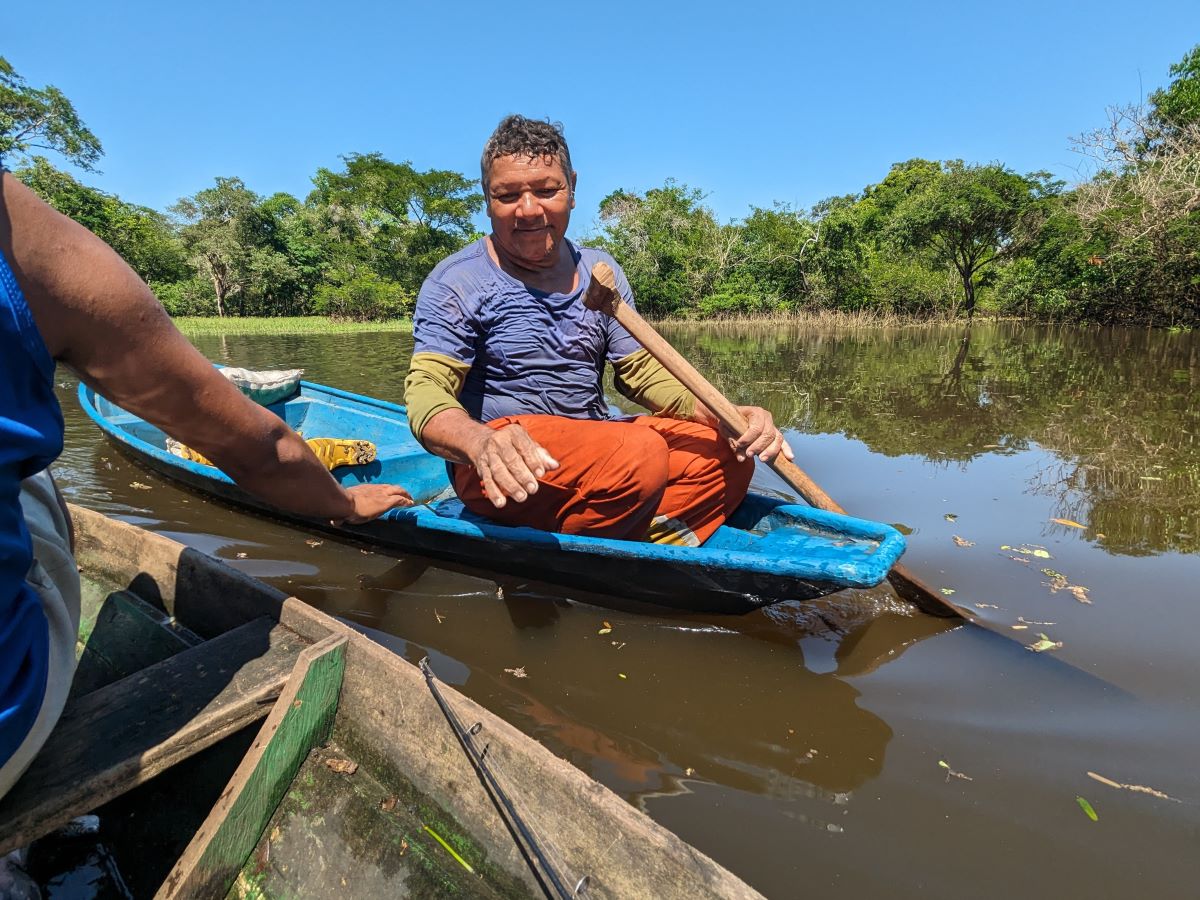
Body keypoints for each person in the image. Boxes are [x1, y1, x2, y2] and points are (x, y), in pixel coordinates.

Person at [0, 171, 414, 815]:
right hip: (8, 720)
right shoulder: (28, 238)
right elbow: (261, 449)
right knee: (33, 471)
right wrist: (345, 503)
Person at [404, 115, 792, 546]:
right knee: (637, 455)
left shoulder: (598, 271)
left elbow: (643, 373)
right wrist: (479, 443)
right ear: (487, 199)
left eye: (547, 190)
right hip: (504, 466)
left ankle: (632, 537)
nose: (529, 210)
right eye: (508, 195)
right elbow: (426, 394)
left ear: (571, 187)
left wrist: (728, 416)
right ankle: (596, 546)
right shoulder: (456, 282)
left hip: (599, 447)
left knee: (730, 453)